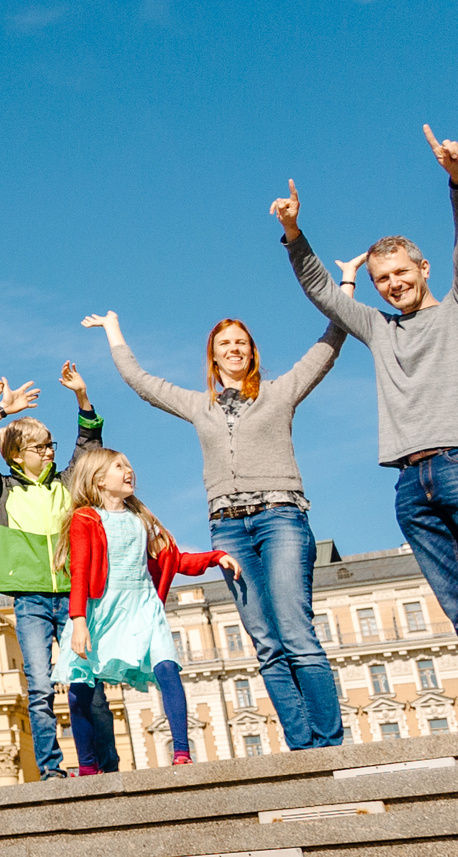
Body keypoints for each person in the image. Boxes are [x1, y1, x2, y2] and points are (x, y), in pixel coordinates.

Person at [275, 128, 458, 725]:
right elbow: (323, 293)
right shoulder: (380, 329)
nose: (393, 285)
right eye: (383, 279)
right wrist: (295, 234)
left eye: (401, 273)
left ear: (424, 267)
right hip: (412, 483)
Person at [89, 307, 347, 751]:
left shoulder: (280, 392)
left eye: (241, 343)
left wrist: (343, 292)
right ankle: (303, 749)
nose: (233, 349)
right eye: (224, 343)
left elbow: (325, 350)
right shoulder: (199, 406)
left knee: (295, 631)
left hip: (280, 517)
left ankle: (330, 743)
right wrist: (114, 330)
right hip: (228, 530)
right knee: (266, 642)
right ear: (213, 356)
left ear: (252, 354)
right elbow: (141, 381)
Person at [0, 365, 107, 780]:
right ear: (16, 455)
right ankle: (51, 771)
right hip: (31, 601)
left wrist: (82, 397)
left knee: (88, 685)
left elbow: (89, 445)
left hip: (74, 600)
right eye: (40, 447)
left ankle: (103, 765)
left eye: (50, 445)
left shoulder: (68, 484)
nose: (49, 452)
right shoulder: (1, 490)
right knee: (40, 688)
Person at [59, 448, 241, 770]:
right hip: (101, 608)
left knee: (168, 668)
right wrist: (78, 620)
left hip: (143, 605)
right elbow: (80, 571)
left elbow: (175, 559)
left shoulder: (142, 519)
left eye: (129, 465)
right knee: (80, 688)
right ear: (99, 480)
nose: (128, 470)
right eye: (119, 466)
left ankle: (182, 752)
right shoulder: (85, 518)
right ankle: (87, 765)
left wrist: (215, 557)